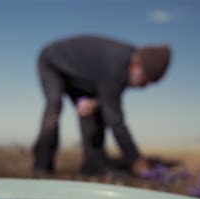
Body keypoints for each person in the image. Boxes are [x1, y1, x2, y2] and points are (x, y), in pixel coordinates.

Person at [33, 35, 171, 176]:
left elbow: (105, 96)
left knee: (92, 112)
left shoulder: (130, 62)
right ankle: (42, 166)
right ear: (136, 65)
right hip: (53, 63)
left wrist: (95, 102)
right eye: (145, 80)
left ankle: (94, 166)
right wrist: (136, 161)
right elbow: (116, 122)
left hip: (82, 77)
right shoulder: (116, 66)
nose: (144, 86)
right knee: (54, 105)